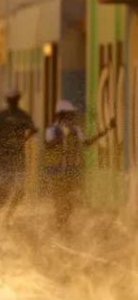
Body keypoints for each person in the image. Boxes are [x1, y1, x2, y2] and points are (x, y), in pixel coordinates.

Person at [44, 100, 115, 238]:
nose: (71, 118)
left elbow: (87, 143)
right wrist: (62, 135)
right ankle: (61, 229)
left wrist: (107, 129)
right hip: (56, 172)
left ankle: (63, 226)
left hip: (70, 172)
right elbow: (49, 143)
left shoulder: (76, 130)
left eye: (72, 115)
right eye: (69, 115)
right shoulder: (51, 129)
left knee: (70, 203)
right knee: (59, 201)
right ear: (61, 115)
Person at [0, 88, 38, 225]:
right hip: (9, 160)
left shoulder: (8, 115)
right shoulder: (13, 115)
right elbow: (34, 129)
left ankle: (4, 216)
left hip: (12, 160)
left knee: (14, 191)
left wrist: (20, 140)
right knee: (8, 191)